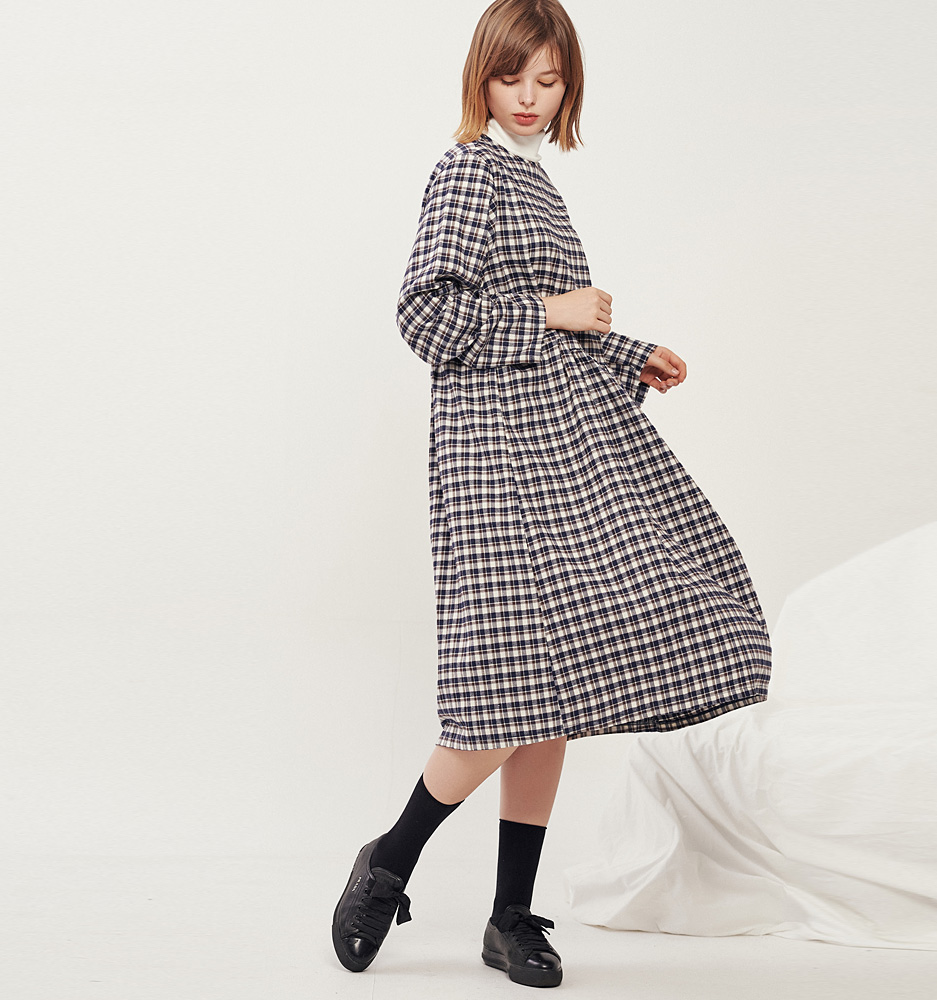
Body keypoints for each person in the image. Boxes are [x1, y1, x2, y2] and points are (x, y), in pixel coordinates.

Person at [332, 0, 771, 988]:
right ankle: (388, 862)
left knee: (551, 688)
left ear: (569, 84)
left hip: (560, 457)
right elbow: (427, 315)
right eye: (510, 78)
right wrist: (554, 308)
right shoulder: (468, 171)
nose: (529, 98)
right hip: (494, 465)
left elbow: (556, 337)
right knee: (498, 696)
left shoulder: (535, 181)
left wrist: (626, 350)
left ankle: (509, 916)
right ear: (480, 80)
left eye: (548, 80)